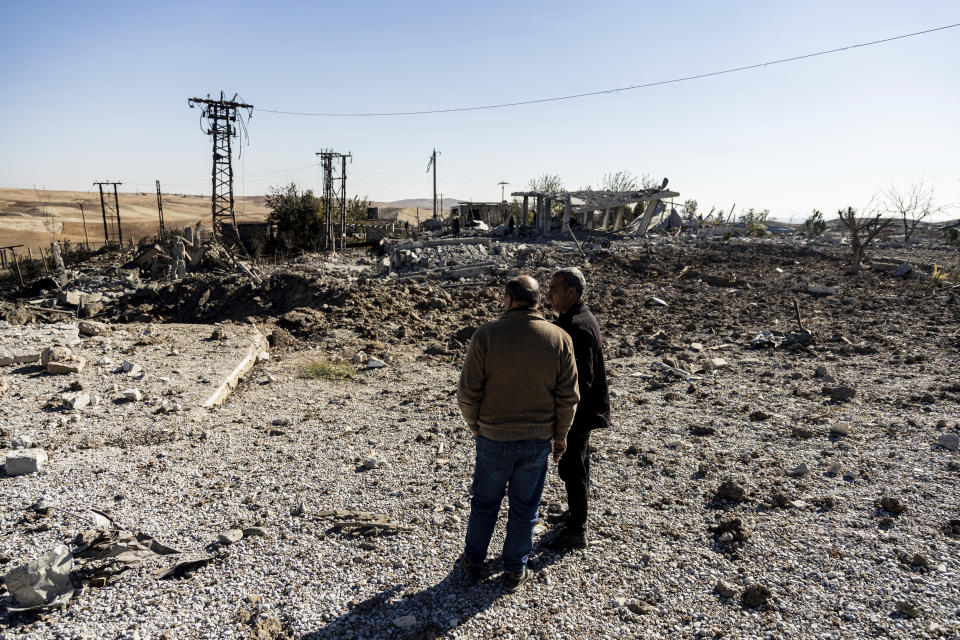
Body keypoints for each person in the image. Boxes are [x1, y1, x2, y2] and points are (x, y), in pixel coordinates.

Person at [457, 275, 580, 592]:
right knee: (525, 508)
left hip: (493, 437)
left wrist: (475, 425)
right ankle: (514, 570)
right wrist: (561, 435)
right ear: (538, 301)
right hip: (537, 440)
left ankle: (472, 563)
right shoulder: (559, 338)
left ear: (509, 300)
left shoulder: (486, 335)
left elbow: (468, 393)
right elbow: (568, 397)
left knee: (485, 504)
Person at [547, 267, 610, 549]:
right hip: (579, 411)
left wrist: (565, 416)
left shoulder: (577, 326)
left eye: (555, 289)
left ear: (572, 292)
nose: (549, 295)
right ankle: (575, 515)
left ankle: (577, 531)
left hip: (578, 413)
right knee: (577, 465)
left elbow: (582, 380)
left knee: (574, 469)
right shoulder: (576, 318)